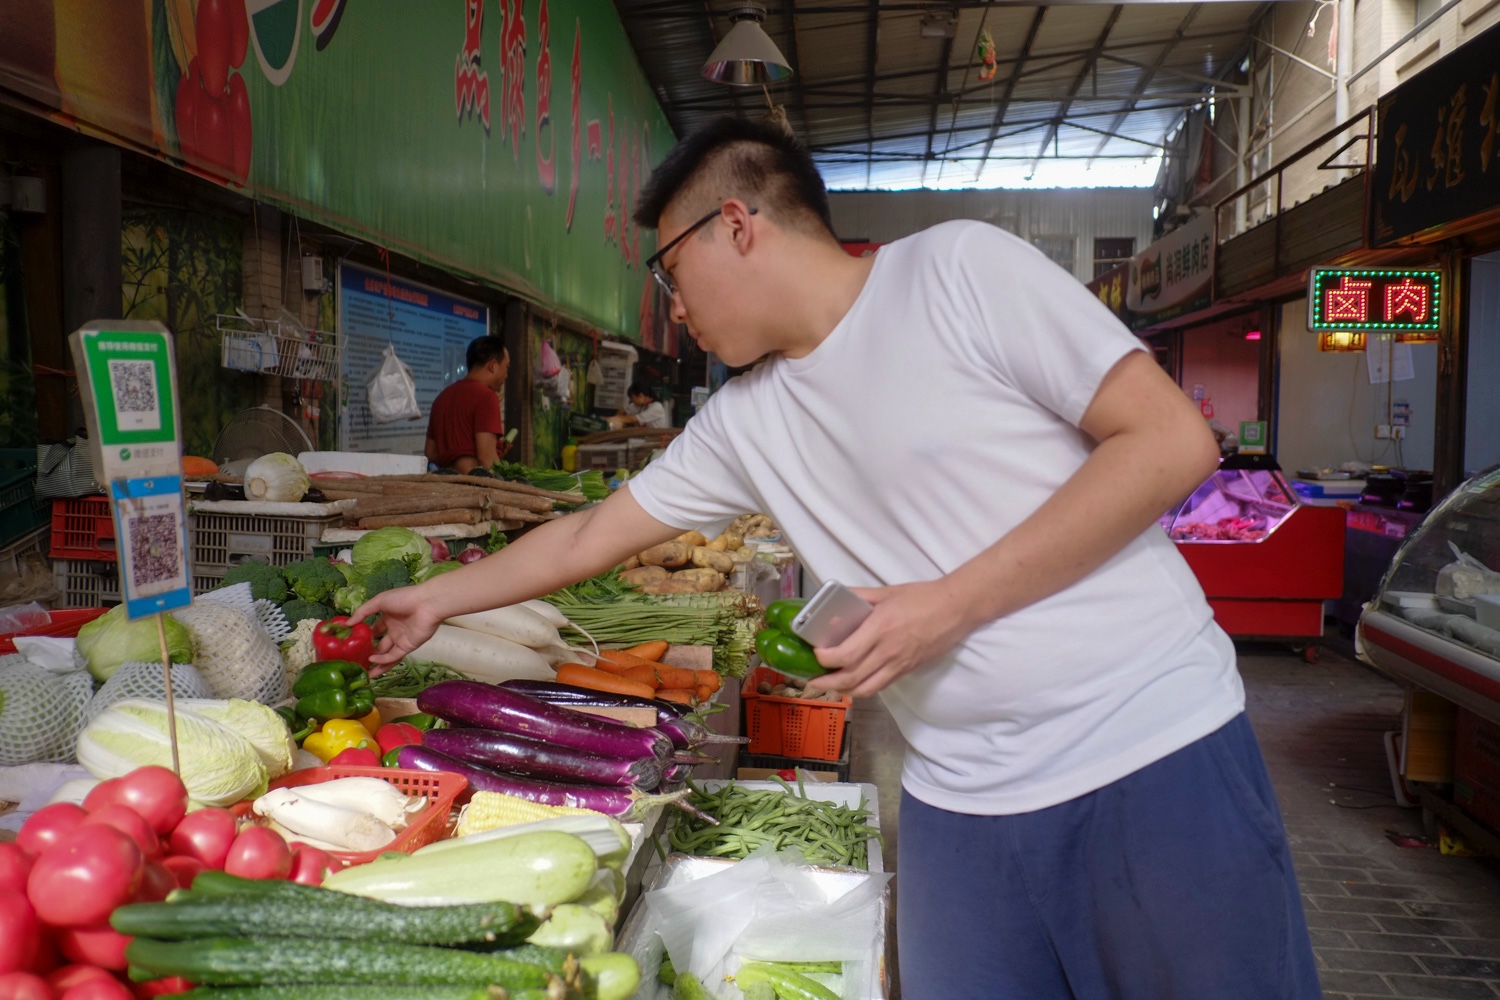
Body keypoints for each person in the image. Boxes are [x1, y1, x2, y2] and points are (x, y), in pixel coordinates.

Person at [358, 117, 1320, 999]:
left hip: (1149, 753)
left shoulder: (958, 272)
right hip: (959, 798)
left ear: (736, 224)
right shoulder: (743, 420)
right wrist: (437, 599)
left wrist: (949, 605)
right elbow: (583, 535)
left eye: (667, 273)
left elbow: (1168, 443)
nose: (675, 309)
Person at [425, 336, 510, 474]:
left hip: (445, 484)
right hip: (472, 486)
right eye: (506, 367)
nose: (506, 375)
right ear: (493, 365)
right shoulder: (487, 397)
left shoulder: (442, 398)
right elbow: (487, 459)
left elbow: (430, 452)